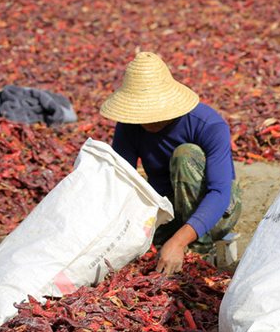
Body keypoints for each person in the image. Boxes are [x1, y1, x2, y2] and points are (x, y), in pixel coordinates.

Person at [100, 51, 241, 275]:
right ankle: (174, 237)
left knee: (186, 154)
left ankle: (201, 247)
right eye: (141, 113)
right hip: (166, 209)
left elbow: (220, 192)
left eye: (153, 112)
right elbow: (121, 181)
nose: (146, 121)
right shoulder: (130, 126)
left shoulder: (208, 124)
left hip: (215, 211)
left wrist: (178, 242)